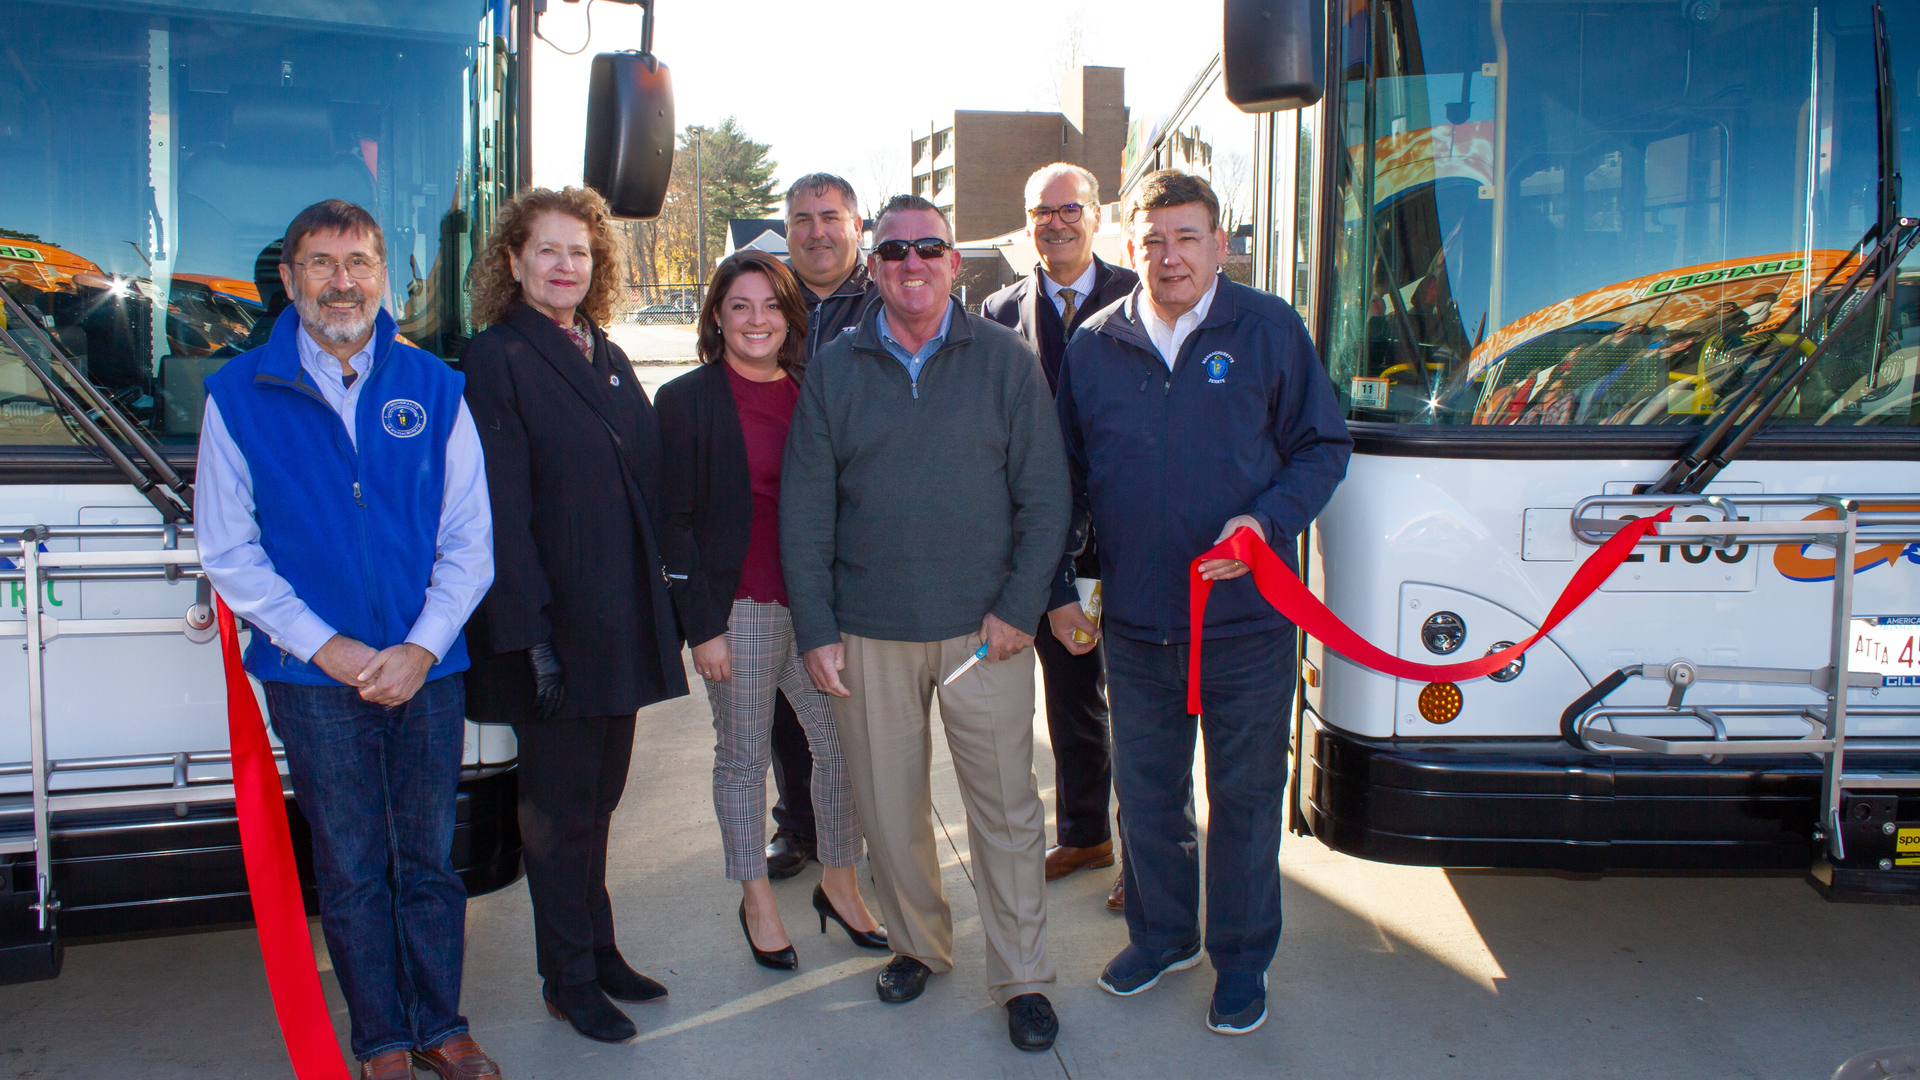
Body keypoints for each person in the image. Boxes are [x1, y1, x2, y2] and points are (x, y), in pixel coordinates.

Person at [196, 199, 501, 1080]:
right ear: (288, 280)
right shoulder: (238, 397)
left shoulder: (435, 387)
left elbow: (469, 541)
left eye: (360, 262)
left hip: (427, 669)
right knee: (354, 863)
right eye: (322, 263)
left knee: (431, 861)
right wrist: (323, 646)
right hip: (312, 679)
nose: (342, 281)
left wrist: (421, 646)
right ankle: (381, 1043)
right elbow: (229, 551)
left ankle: (442, 1026)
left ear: (384, 277)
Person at [1049, 170, 1352, 1036]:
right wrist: (1067, 589)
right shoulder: (1095, 345)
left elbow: (1322, 447)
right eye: (1152, 239)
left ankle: (1243, 959)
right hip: (1139, 624)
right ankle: (1163, 936)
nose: (1169, 255)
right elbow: (1067, 480)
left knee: (1247, 797)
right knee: (1146, 796)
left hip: (1248, 623)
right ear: (1128, 246)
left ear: (1222, 244)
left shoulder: (1269, 331)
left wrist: (1265, 518)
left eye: (1186, 237)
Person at [781, 194, 1070, 1052]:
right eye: (896, 250)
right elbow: (805, 509)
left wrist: (1020, 608)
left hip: (987, 637)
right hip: (866, 632)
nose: (912, 264)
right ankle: (918, 944)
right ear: (874, 265)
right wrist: (818, 628)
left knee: (1008, 812)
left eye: (929, 248)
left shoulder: (1007, 360)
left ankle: (1021, 974)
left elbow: (1047, 495)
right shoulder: (836, 367)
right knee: (889, 808)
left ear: (954, 263)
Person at [460, 186, 688, 1045]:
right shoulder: (498, 356)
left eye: (580, 252)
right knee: (556, 816)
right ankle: (569, 979)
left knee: (600, 799)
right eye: (547, 250)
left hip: (619, 618)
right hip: (550, 626)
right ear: (512, 261)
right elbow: (500, 509)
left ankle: (599, 947)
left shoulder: (609, 353)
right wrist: (529, 640)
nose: (565, 265)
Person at [656, 251, 885, 971]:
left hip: (817, 609)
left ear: (791, 316)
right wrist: (704, 626)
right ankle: (755, 898)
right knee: (745, 758)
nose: (757, 320)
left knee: (843, 749)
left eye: (771, 306)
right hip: (741, 608)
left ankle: (840, 885)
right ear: (717, 317)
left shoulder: (815, 389)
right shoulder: (688, 400)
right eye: (740, 306)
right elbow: (675, 520)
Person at [982, 162, 1138, 911]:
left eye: (1069, 208)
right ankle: (1085, 832)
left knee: (1140, 706)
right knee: (1070, 698)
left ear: (1096, 214)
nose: (1056, 222)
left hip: (1130, 544)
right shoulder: (997, 308)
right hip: (1048, 549)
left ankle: (1141, 858)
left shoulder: (1142, 300)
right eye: (1041, 212)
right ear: (1027, 221)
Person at [759, 172, 883, 880]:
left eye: (830, 217)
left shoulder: (888, 297)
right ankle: (798, 825)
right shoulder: (761, 299)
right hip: (781, 519)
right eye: (801, 218)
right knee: (788, 687)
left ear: (857, 227)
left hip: (866, 526)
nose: (816, 231)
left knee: (866, 695)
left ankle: (867, 823)